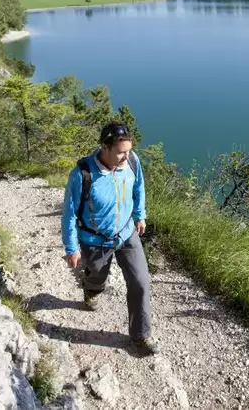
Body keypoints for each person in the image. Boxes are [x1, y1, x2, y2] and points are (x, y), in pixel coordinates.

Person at [61, 122, 158, 356]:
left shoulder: (132, 162)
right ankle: (91, 292)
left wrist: (139, 215)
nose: (126, 156)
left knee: (140, 283)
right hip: (95, 240)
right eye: (120, 152)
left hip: (127, 233)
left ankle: (140, 335)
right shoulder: (83, 174)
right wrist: (72, 248)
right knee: (96, 276)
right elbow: (70, 213)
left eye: (128, 150)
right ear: (105, 147)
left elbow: (139, 188)